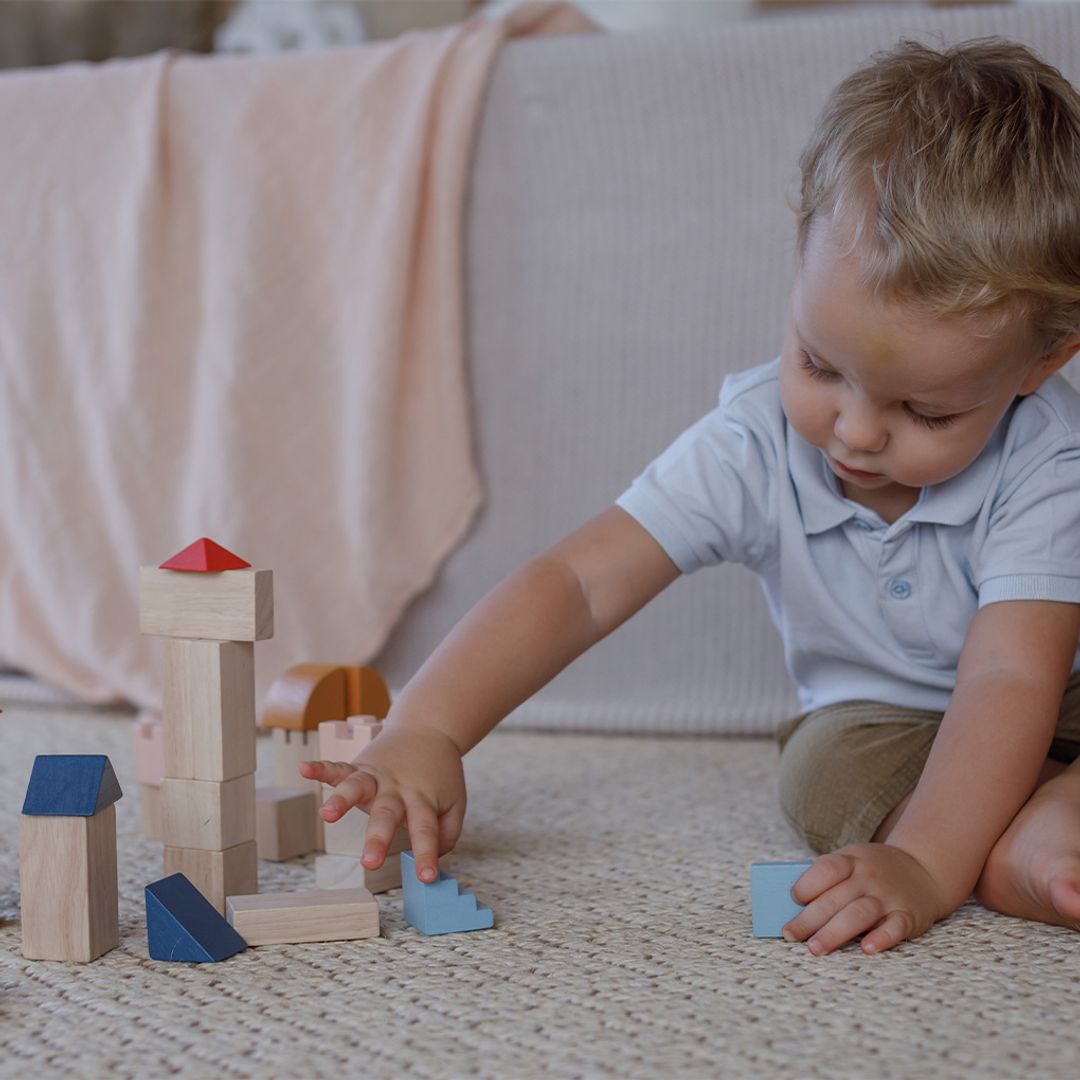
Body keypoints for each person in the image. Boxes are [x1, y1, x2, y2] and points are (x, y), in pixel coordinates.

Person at [302, 38, 1080, 955]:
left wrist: (927, 863)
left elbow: (1008, 676)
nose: (856, 432)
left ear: (1042, 362)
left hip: (1053, 684)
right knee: (820, 774)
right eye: (819, 364)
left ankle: (1006, 835)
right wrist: (426, 725)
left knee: (963, 792)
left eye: (926, 411)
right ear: (798, 267)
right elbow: (580, 584)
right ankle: (1025, 832)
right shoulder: (754, 441)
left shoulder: (1049, 457)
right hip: (889, 722)